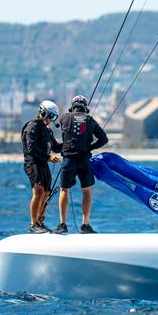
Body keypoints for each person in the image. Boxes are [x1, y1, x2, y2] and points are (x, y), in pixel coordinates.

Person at [53, 95, 108, 234]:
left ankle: (62, 225)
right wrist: (90, 147)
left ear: (72, 106)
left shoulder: (64, 117)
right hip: (84, 159)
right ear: (85, 107)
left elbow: (64, 135)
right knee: (86, 191)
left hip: (68, 160)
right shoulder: (89, 120)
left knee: (64, 190)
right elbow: (104, 139)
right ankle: (85, 225)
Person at [22, 100, 62, 233]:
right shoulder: (32, 126)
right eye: (50, 116)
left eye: (54, 117)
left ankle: (39, 221)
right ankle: (33, 224)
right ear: (43, 112)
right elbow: (31, 148)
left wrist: (70, 143)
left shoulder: (48, 130)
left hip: (43, 163)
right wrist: (49, 157)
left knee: (46, 193)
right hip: (32, 163)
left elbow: (56, 147)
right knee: (38, 190)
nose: (51, 119)